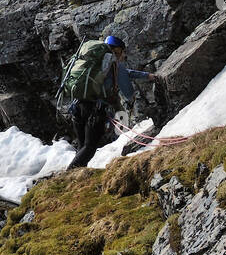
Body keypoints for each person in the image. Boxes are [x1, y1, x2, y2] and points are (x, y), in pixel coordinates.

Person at [68, 34, 158, 168]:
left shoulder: (96, 63)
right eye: (122, 52)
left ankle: (74, 180)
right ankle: (68, 175)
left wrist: (147, 76)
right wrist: (131, 99)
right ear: (118, 50)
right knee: (90, 147)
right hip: (95, 110)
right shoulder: (114, 64)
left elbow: (125, 73)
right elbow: (127, 90)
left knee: (82, 147)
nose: (123, 55)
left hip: (77, 106)